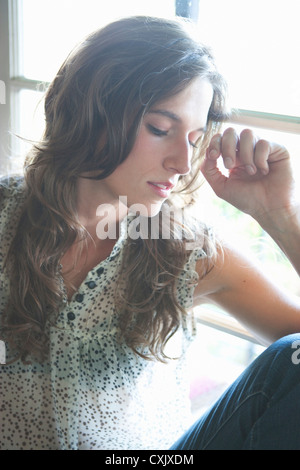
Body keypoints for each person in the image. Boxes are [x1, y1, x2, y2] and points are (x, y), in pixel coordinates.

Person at [0, 15, 300, 451]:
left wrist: (280, 215)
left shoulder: (189, 251)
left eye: (195, 139)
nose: (182, 163)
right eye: (160, 129)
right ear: (91, 109)